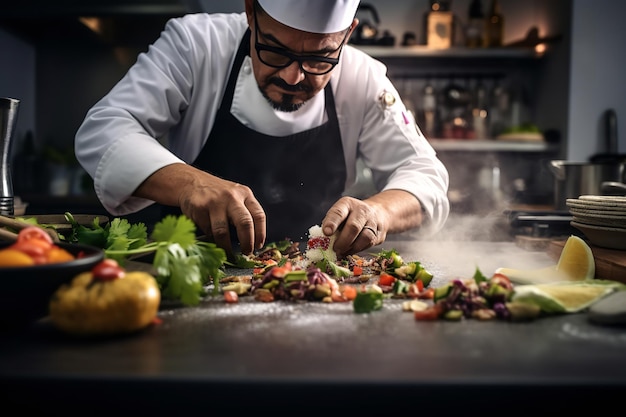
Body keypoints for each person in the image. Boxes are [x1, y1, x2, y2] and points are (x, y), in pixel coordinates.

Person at [74, 0, 450, 260]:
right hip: (199, 271)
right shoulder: (197, 45)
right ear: (251, 12)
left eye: (319, 58)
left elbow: (426, 176)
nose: (292, 76)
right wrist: (190, 183)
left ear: (347, 36)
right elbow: (104, 130)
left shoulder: (363, 78)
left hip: (314, 280)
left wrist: (379, 212)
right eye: (274, 50)